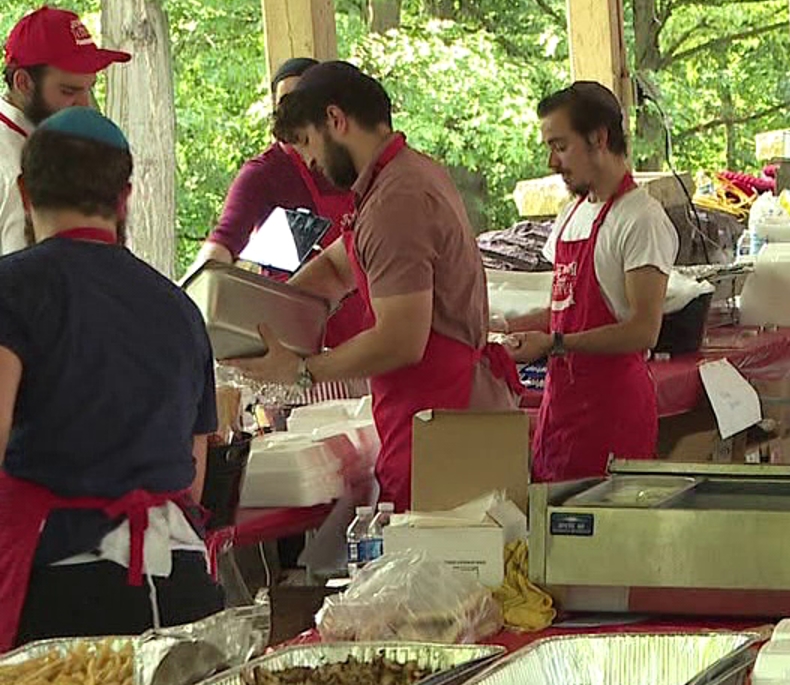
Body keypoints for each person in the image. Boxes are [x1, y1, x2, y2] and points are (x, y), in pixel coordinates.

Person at [231, 62, 518, 510]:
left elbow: (401, 340)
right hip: (431, 416)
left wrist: (304, 371)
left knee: (451, 567)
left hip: (444, 423)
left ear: (335, 121)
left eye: (307, 143)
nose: (308, 162)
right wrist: (259, 318)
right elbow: (335, 269)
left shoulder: (396, 200)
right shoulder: (398, 176)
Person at [0, 108, 223, 647]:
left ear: (25, 193)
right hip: (182, 586)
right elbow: (192, 476)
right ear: (124, 199)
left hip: (61, 589)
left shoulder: (12, 288)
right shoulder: (179, 307)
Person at [505, 81, 676, 481]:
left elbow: (643, 330)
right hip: (561, 409)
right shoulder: (569, 216)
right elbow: (562, 310)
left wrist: (557, 343)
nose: (551, 162)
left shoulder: (640, 219)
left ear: (599, 137)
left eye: (561, 147)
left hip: (612, 415)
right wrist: (506, 327)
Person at [197, 57, 372, 357]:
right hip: (296, 341)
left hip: (368, 335)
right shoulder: (263, 173)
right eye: (285, 107)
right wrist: (197, 300)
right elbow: (224, 242)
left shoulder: (366, 171)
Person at [0, 7, 130, 255]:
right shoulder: (12, 168)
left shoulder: (43, 146)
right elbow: (28, 282)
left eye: (89, 89)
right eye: (69, 91)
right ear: (23, 83)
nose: (84, 105)